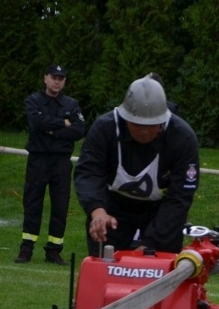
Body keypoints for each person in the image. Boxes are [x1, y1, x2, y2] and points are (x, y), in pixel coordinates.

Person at [74, 75, 200, 256]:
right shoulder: (105, 129)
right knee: (106, 262)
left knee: (160, 270)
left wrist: (153, 242)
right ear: (125, 118)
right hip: (112, 206)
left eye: (152, 125)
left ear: (163, 120)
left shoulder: (182, 138)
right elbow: (88, 172)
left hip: (159, 211)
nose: (144, 131)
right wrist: (98, 212)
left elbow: (180, 196)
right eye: (138, 124)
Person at [15, 64, 85, 265]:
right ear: (45, 78)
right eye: (54, 77)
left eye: (61, 78)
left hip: (61, 162)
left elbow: (79, 130)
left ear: (64, 82)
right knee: (32, 203)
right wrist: (63, 123)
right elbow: (37, 124)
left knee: (60, 206)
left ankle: (54, 251)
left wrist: (52, 130)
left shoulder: (71, 104)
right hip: (38, 160)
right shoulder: (34, 100)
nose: (57, 81)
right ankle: (26, 249)